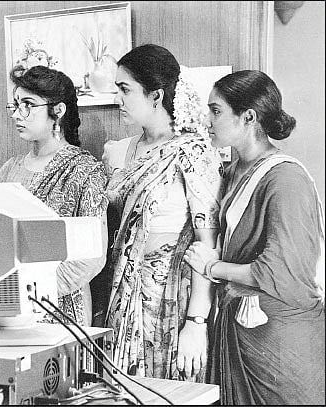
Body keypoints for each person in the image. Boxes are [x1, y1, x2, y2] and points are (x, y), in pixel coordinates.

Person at [184, 70, 325, 404]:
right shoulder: (232, 172)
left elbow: (282, 272)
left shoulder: (286, 180)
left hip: (280, 340)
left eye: (216, 111)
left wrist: (212, 267)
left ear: (248, 117)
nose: (207, 120)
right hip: (239, 329)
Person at [100, 44, 224, 381]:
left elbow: (207, 245)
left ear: (156, 96)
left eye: (125, 89)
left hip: (171, 299)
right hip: (122, 294)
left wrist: (196, 323)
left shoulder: (193, 153)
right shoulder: (119, 152)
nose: (117, 99)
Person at [0, 65, 108, 327]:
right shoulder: (9, 169)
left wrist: (35, 289)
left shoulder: (84, 170)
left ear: (58, 110)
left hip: (62, 306)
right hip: (10, 304)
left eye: (28, 105)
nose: (17, 114)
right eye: (16, 105)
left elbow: (92, 257)